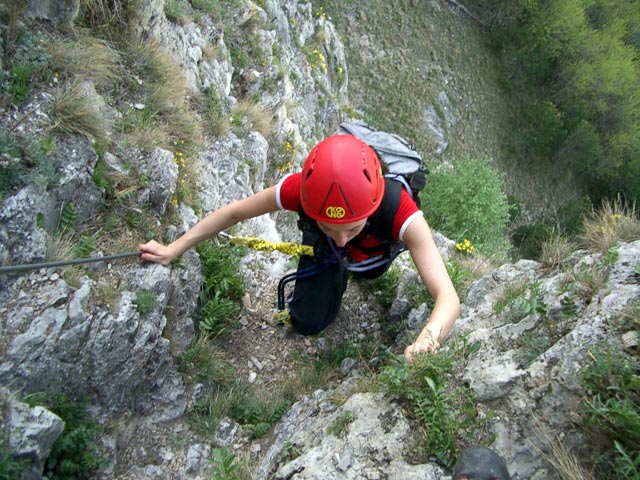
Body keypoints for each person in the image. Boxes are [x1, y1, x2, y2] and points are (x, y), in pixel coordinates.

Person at [139, 134, 460, 359]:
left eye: (352, 228)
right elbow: (234, 212)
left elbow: (448, 298)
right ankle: (331, 265)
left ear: (373, 206)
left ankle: (346, 262)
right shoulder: (304, 191)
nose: (342, 240)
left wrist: (428, 339)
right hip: (328, 245)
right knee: (307, 321)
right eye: (330, 227)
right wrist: (173, 249)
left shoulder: (397, 208)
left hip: (373, 255)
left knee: (369, 273)